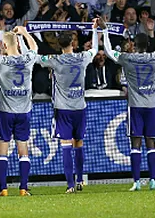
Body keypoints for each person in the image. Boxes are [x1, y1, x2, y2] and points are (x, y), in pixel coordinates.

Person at [102, 22, 155, 191]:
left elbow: (108, 51)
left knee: (135, 144)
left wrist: (104, 31)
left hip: (135, 106)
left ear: (134, 45)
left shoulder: (128, 58)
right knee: (151, 142)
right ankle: (153, 180)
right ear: (148, 45)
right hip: (151, 105)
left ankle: (136, 182)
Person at [38, 19, 99, 193]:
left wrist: (25, 37)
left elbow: (34, 57)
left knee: (66, 145)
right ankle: (80, 180)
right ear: (73, 43)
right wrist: (94, 31)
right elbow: (94, 50)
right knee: (78, 143)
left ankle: (70, 185)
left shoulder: (55, 60)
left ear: (59, 45)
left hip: (63, 109)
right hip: (80, 107)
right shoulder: (82, 57)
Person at [0, 24, 38, 197]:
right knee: (23, 150)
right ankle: (23, 188)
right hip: (24, 112)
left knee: (2, 151)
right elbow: (34, 47)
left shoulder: (1, 61)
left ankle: (3, 188)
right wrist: (25, 33)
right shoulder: (28, 59)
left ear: (4, 46)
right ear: (18, 44)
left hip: (5, 111)